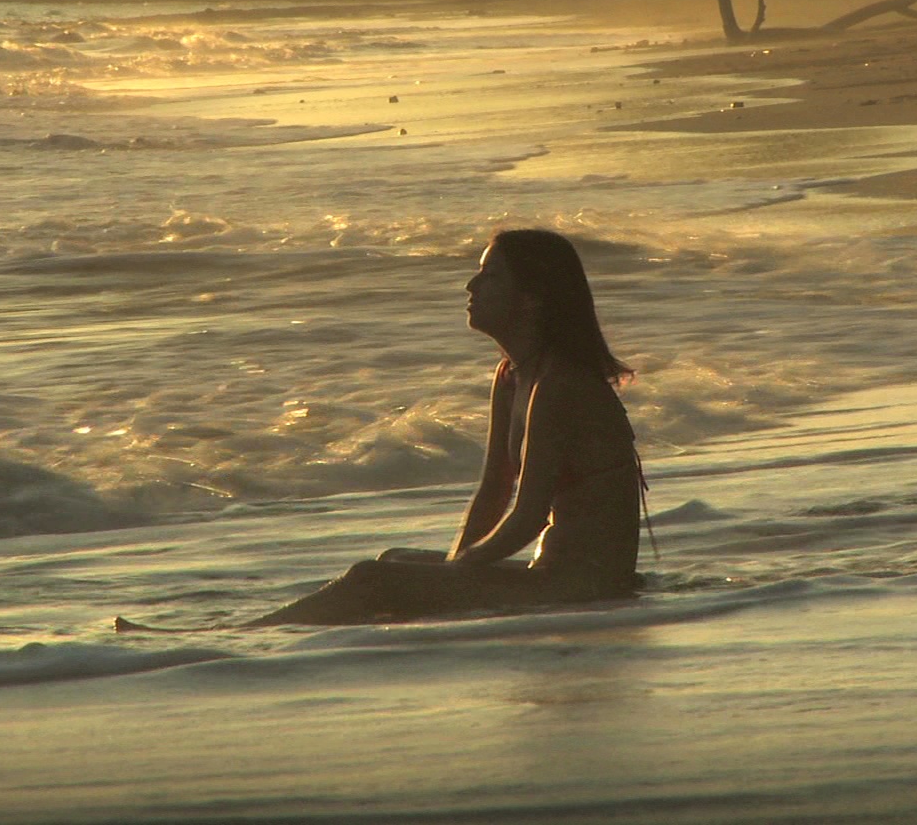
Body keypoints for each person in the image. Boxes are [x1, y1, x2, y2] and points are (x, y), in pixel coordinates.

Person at [251, 228, 649, 626]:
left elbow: (528, 517)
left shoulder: (561, 384)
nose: (471, 285)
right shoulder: (512, 376)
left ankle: (255, 637)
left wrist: (459, 571)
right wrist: (451, 570)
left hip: (584, 589)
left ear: (531, 299)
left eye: (490, 275)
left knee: (370, 580)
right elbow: (494, 492)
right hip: (549, 579)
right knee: (394, 561)